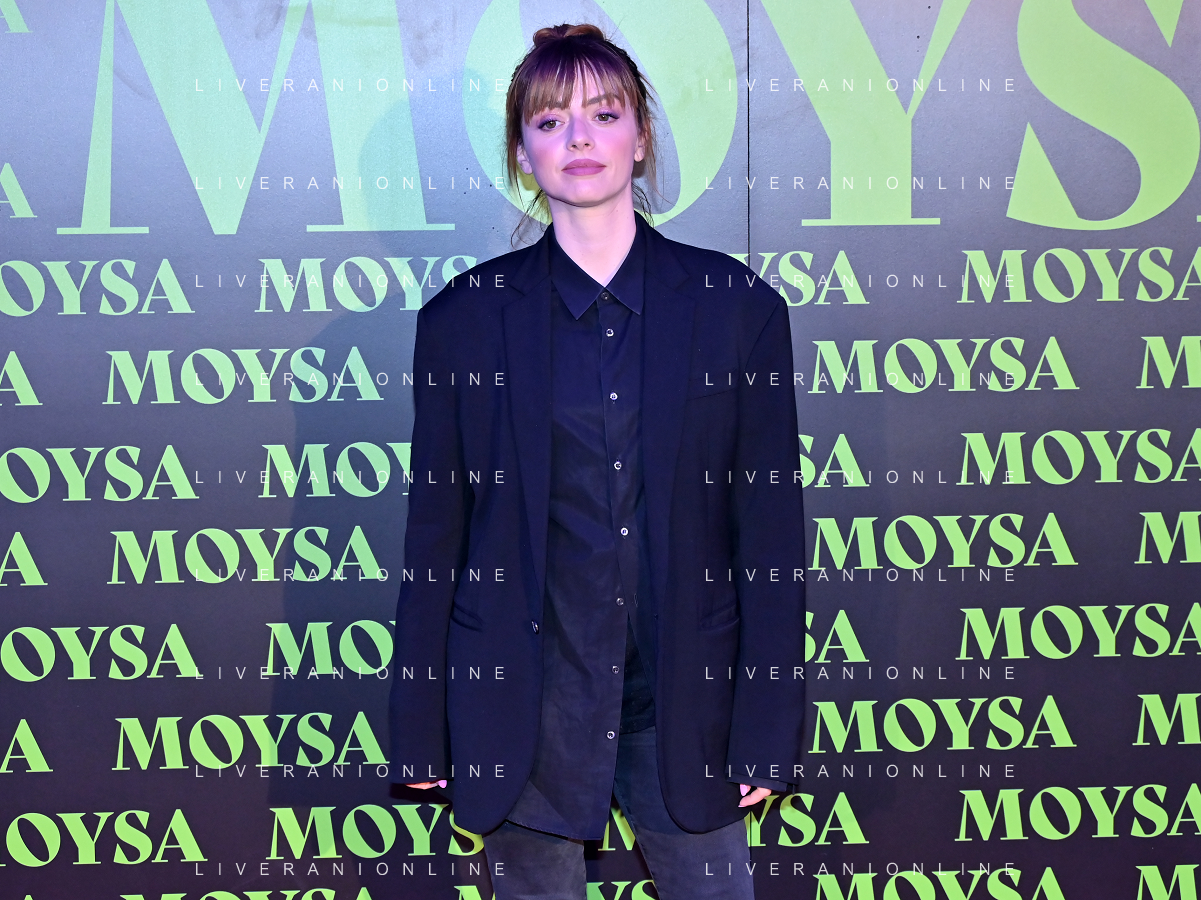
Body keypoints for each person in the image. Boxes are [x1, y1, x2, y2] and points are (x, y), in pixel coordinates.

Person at [389, 23, 806, 900]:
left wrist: (768, 727)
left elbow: (769, 538)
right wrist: (421, 726)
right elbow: (437, 540)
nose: (578, 138)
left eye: (604, 114)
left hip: (687, 708)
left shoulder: (737, 309)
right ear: (521, 152)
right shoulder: (464, 321)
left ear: (640, 137)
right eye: (550, 122)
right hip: (521, 708)